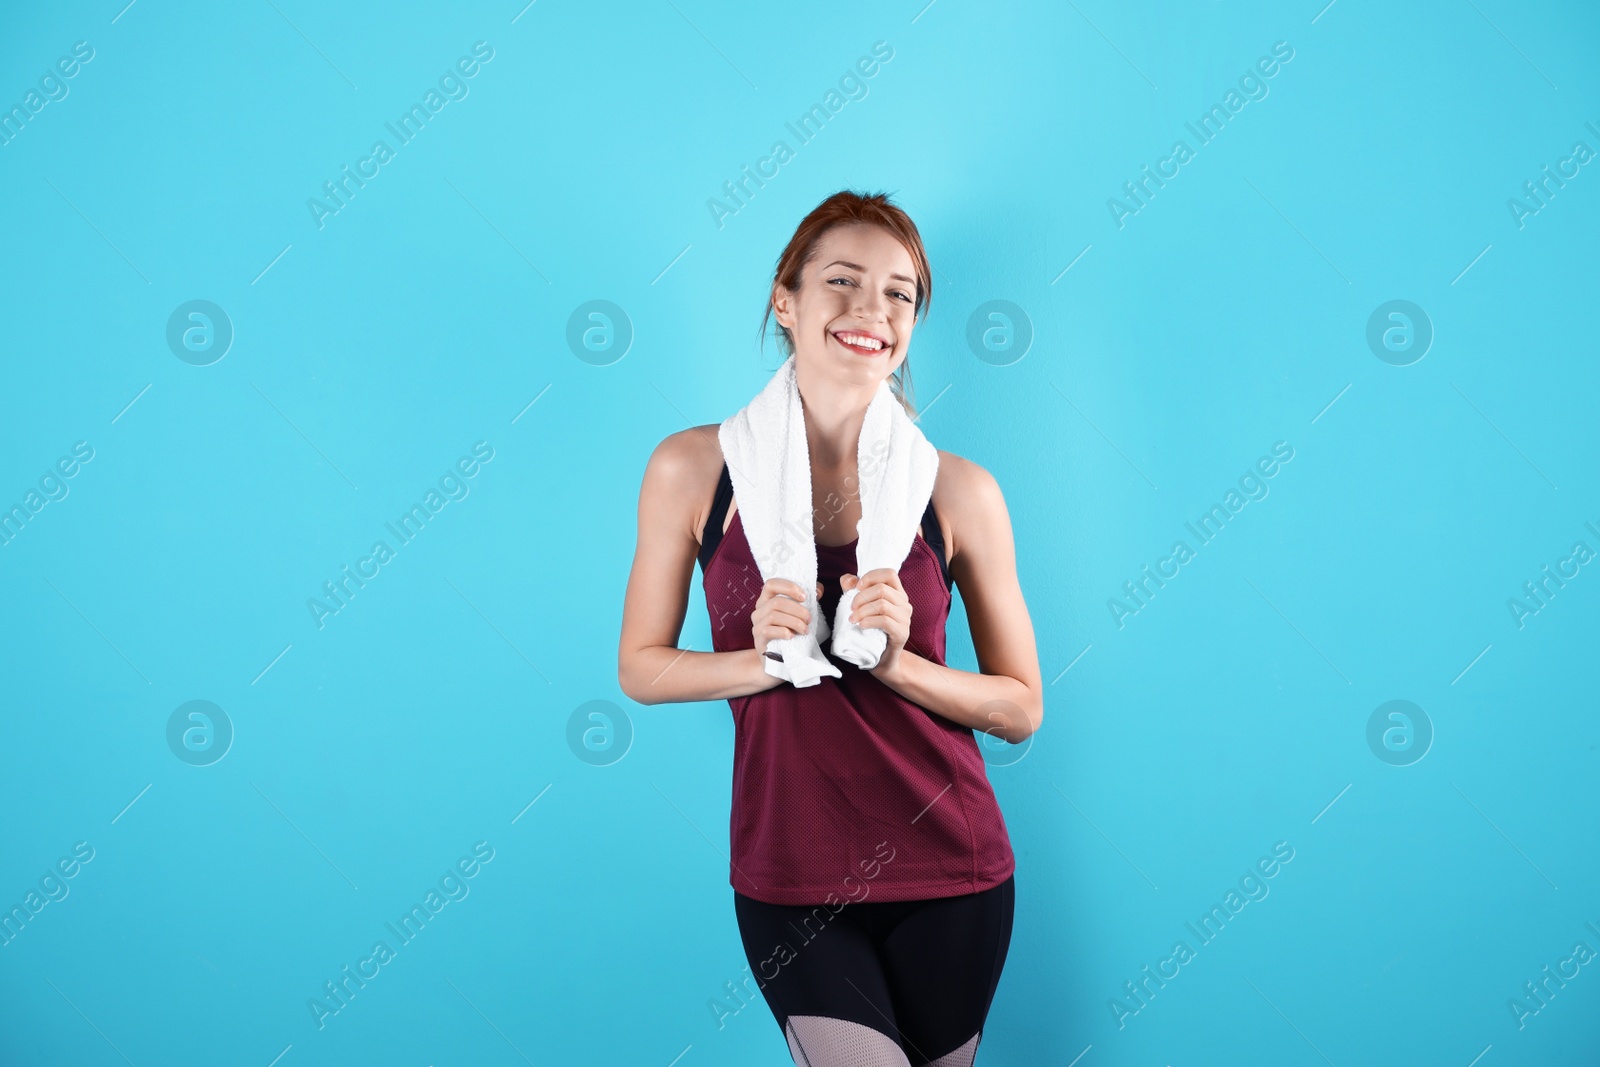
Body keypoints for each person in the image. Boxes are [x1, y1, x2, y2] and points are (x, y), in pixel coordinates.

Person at [618, 190, 1043, 1067]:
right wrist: (758, 661)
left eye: (899, 294)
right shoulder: (694, 469)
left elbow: (1020, 706)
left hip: (953, 870)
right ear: (787, 299)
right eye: (843, 282)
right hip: (791, 873)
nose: (872, 311)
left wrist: (898, 666)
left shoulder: (960, 492)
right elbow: (642, 668)